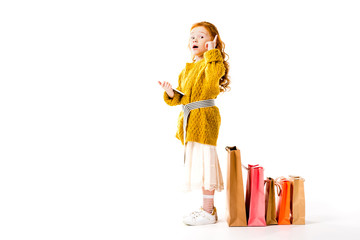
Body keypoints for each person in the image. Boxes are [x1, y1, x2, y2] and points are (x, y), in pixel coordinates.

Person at [158, 21, 231, 226]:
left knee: (205, 163)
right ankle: (206, 209)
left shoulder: (213, 63)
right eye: (192, 37)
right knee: (199, 165)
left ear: (212, 41)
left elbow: (210, 86)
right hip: (191, 120)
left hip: (205, 119)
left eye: (201, 36)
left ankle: (208, 211)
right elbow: (183, 98)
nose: (195, 40)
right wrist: (171, 92)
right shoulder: (188, 68)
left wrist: (213, 54)